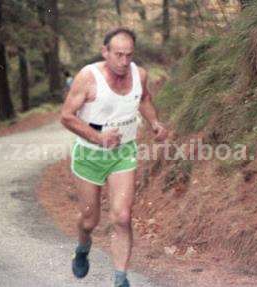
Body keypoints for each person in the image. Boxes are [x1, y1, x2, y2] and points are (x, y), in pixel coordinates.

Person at [60, 27, 168, 287]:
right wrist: (99, 138)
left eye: (129, 55)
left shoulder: (139, 74)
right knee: (90, 220)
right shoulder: (88, 77)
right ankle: (83, 248)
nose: (124, 61)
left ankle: (120, 278)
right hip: (89, 154)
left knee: (121, 217)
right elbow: (66, 117)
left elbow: (143, 99)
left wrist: (154, 123)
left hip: (124, 153)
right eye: (118, 54)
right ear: (105, 52)